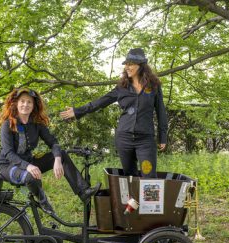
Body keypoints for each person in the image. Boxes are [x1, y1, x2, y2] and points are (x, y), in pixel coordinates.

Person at [60, 48, 168, 178]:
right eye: (126, 64)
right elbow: (100, 102)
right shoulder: (121, 87)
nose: (127, 67)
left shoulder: (153, 86)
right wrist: (77, 111)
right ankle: (133, 199)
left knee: (149, 176)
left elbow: (161, 111)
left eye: (130, 64)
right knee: (129, 176)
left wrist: (163, 136)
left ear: (141, 66)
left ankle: (148, 199)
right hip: (124, 139)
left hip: (145, 140)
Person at [0, 87, 100, 215]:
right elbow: (8, 153)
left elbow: (53, 142)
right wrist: (28, 166)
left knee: (61, 154)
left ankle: (83, 191)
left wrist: (57, 159)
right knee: (31, 177)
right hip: (8, 166)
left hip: (28, 162)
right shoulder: (8, 124)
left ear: (34, 105)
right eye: (22, 101)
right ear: (16, 103)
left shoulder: (36, 124)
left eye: (29, 102)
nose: (25, 104)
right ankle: (42, 201)